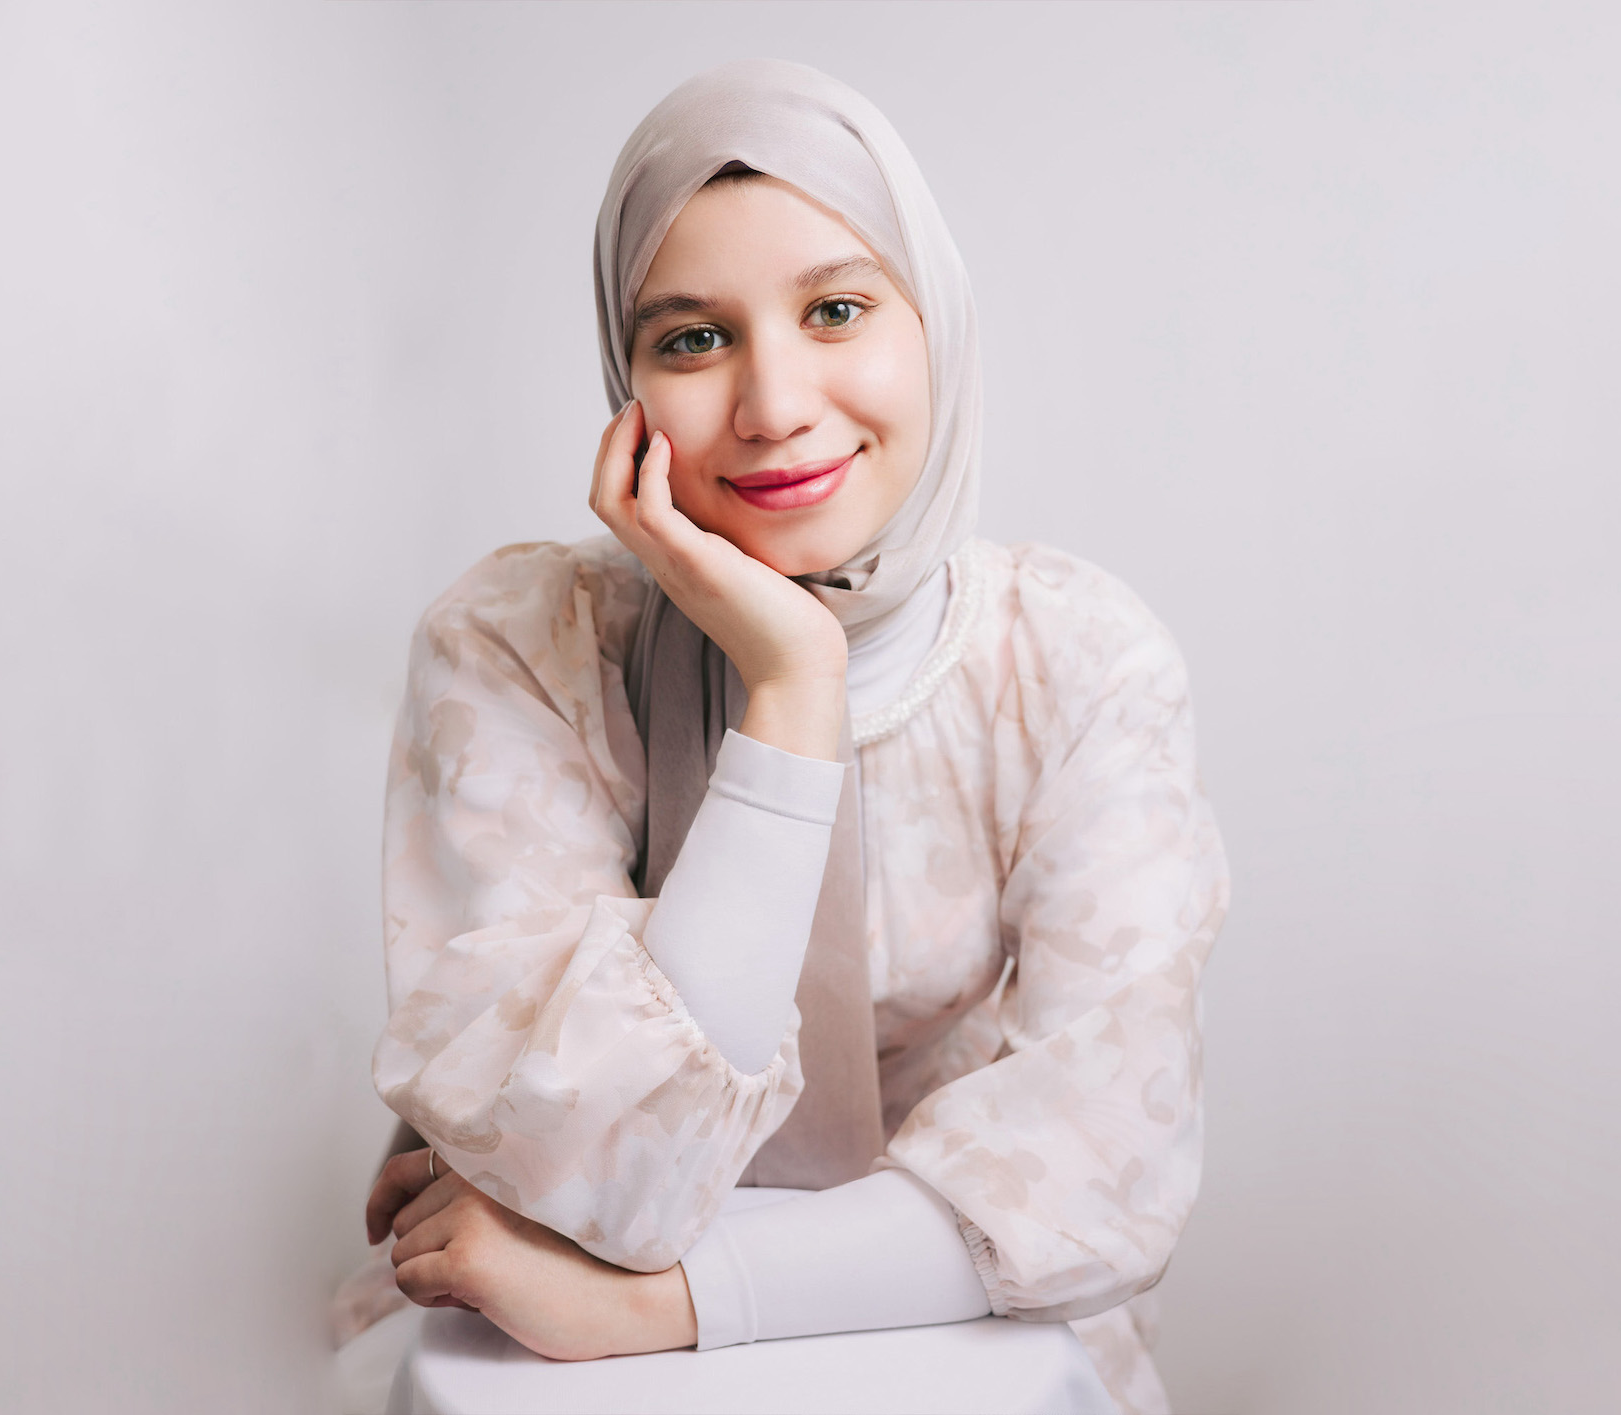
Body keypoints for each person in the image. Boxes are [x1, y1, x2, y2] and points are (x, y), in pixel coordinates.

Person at [333, 59, 1228, 1415]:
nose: (772, 406)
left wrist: (663, 1305)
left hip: (956, 1338)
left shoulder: (1078, 662)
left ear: (937, 324)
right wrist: (793, 689)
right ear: (626, 376)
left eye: (837, 310)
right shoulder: (521, 646)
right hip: (533, 1346)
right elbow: (597, 1176)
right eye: (693, 338)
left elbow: (1096, 1177)